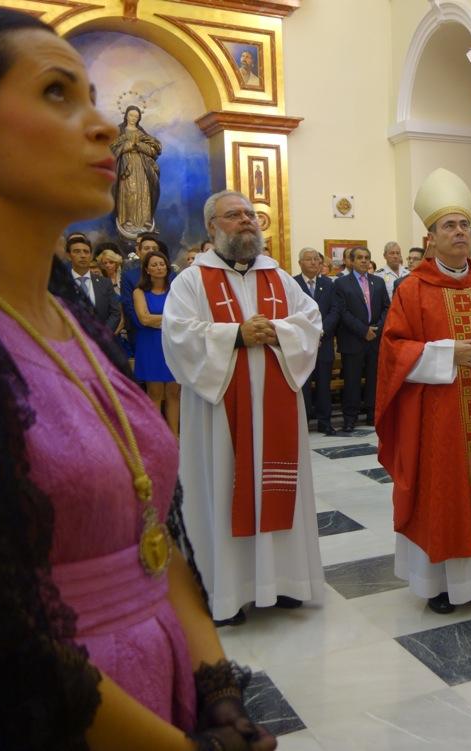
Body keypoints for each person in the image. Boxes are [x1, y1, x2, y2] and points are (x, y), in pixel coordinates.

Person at [0, 9, 275, 750]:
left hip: (165, 686)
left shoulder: (71, 319)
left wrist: (218, 693)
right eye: (55, 93)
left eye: (95, 97)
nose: (102, 125)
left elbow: (154, 534)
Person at [162, 190, 324, 627]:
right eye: (234, 216)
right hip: (221, 417)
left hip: (277, 408)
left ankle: (287, 582)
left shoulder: (280, 278)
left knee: (279, 486)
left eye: (251, 214)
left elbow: (310, 321)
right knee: (223, 486)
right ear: (212, 227)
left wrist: (278, 331)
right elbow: (177, 335)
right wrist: (235, 334)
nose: (247, 221)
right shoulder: (192, 281)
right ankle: (227, 593)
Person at [377, 168, 471, 614]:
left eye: (465, 225)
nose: (460, 232)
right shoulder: (413, 289)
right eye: (450, 226)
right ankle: (441, 585)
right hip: (439, 416)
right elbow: (393, 351)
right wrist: (445, 355)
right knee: (445, 497)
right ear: (431, 238)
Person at [334, 246, 390, 432]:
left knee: (374, 379)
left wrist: (377, 328)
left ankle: (372, 414)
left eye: (367, 257)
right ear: (351, 261)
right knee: (352, 381)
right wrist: (363, 330)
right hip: (353, 339)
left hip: (375, 339)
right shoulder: (341, 283)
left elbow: (386, 308)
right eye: (360, 258)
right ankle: (350, 418)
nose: (364, 261)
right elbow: (342, 312)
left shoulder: (379, 282)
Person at [134, 249, 181, 437]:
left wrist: (160, 320)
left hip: (173, 344)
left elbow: (185, 317)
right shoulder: (139, 292)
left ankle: (175, 438)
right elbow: (144, 319)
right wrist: (172, 321)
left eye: (162, 264)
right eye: (154, 264)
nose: (159, 267)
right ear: (147, 269)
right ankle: (157, 439)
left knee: (173, 393)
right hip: (150, 345)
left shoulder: (176, 289)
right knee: (154, 393)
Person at [294, 246, 339, 434]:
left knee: (323, 384)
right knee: (303, 385)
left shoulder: (329, 284)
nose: (314, 262)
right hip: (302, 344)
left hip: (324, 342)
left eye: (316, 259)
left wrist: (320, 333)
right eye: (309, 259)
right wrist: (309, 334)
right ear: (300, 263)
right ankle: (303, 421)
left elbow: (334, 311)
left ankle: (324, 421)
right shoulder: (292, 283)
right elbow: (292, 313)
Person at [111, 104, 161, 236]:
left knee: (144, 193)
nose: (133, 118)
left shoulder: (142, 134)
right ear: (126, 115)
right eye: (131, 115)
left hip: (142, 167)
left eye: (136, 116)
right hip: (125, 168)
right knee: (129, 192)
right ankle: (127, 221)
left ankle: (144, 222)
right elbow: (110, 150)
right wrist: (126, 146)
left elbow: (154, 150)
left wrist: (138, 145)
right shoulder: (118, 132)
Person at [67, 232, 121, 332]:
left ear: (91, 256)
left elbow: (115, 313)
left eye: (86, 252)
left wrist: (103, 334)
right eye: (77, 251)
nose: (82, 255)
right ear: (68, 256)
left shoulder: (105, 283)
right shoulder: (61, 282)